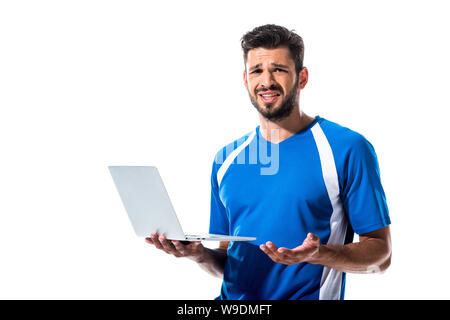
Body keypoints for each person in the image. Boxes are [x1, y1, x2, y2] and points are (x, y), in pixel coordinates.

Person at [145, 24, 392, 300]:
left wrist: (319, 255)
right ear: (245, 79)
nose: (267, 81)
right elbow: (229, 262)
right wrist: (199, 254)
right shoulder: (226, 159)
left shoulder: (347, 148)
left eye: (279, 69)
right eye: (257, 71)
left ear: (302, 77)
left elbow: (381, 256)